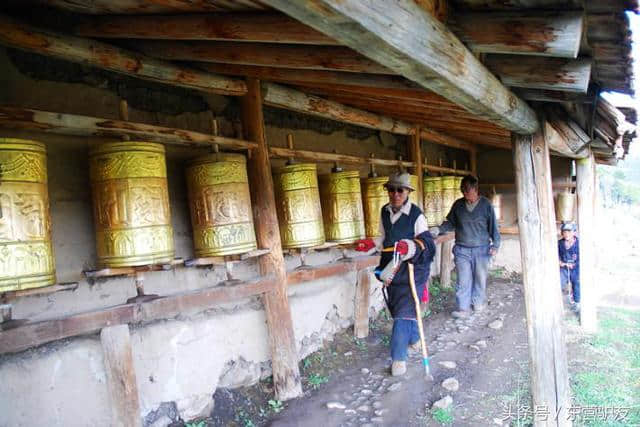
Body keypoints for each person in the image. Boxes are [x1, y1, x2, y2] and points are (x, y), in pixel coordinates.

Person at [356, 172, 435, 376]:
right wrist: (372, 244)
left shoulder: (416, 215)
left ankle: (398, 359)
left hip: (412, 270)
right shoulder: (384, 211)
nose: (395, 194)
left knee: (403, 314)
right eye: (392, 190)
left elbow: (427, 244)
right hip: (392, 269)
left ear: (408, 192)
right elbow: (385, 238)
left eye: (400, 190)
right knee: (400, 309)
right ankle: (415, 339)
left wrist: (409, 246)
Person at [430, 175, 500, 318]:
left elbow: (494, 227)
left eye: (469, 192)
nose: (467, 196)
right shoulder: (458, 205)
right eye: (464, 193)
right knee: (463, 279)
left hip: (481, 249)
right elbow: (450, 223)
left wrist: (496, 245)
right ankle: (463, 308)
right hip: (462, 249)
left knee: (480, 277)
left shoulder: (486, 205)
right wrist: (438, 229)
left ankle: (478, 302)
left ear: (476, 189)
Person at [558, 222, 580, 313]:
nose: (566, 234)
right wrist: (560, 263)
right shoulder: (560, 243)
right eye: (564, 232)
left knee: (577, 283)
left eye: (569, 232)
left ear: (574, 232)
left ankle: (577, 303)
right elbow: (555, 255)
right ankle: (556, 303)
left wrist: (575, 264)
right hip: (564, 268)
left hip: (576, 268)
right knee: (558, 282)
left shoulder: (579, 243)